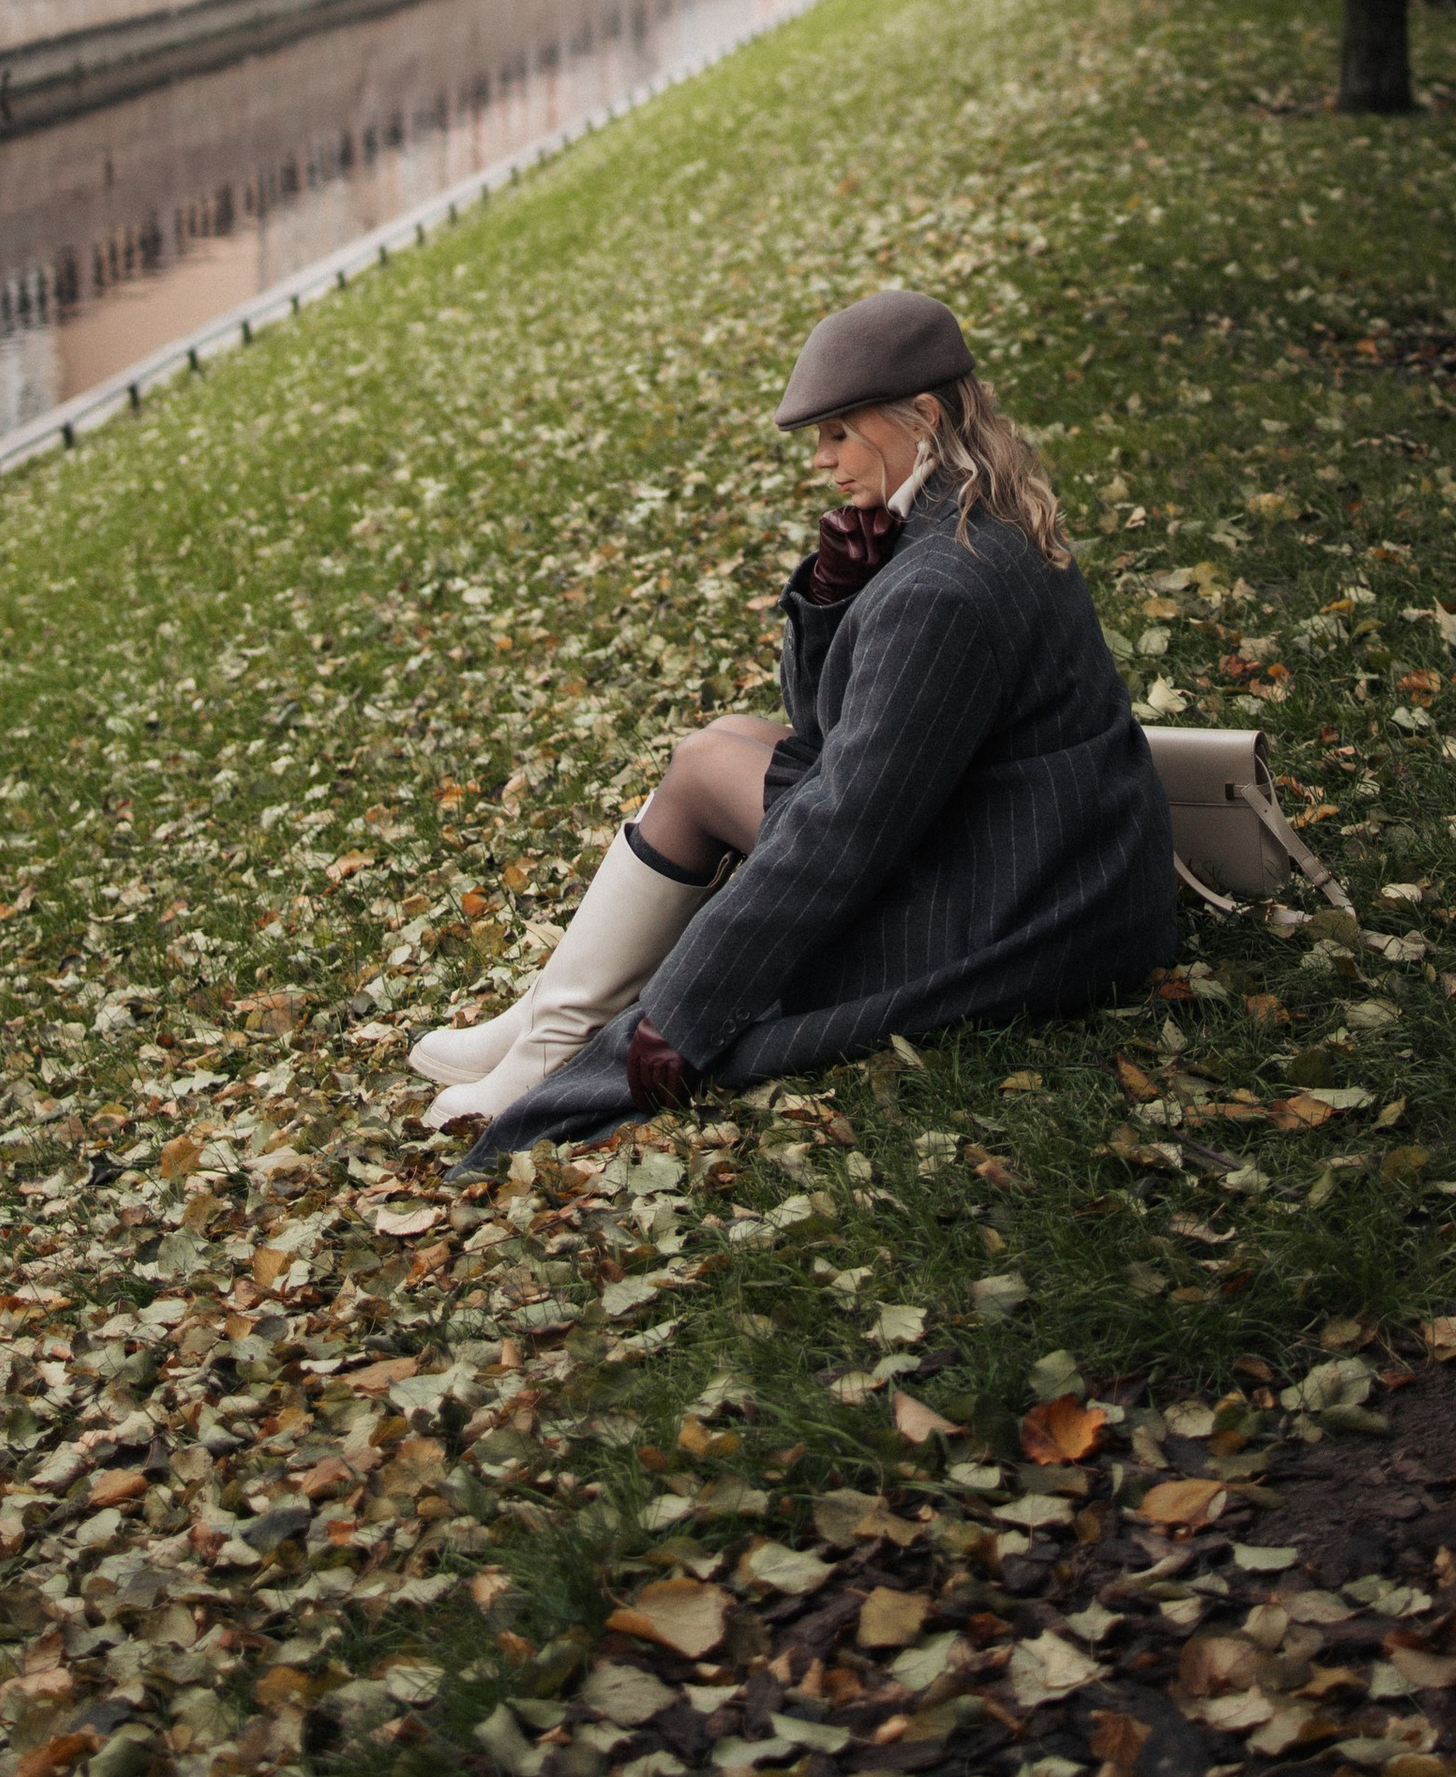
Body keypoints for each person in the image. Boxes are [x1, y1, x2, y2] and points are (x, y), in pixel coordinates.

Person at [411, 288, 1174, 1159]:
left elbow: (841, 833)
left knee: (704, 767)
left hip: (1005, 898)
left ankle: (554, 1040)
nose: (822, 460)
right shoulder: (979, 505)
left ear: (922, 416)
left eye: (840, 432)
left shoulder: (941, 587)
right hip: (1052, 856)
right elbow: (827, 731)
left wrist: (679, 1022)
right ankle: (545, 1021)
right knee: (727, 738)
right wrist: (832, 595)